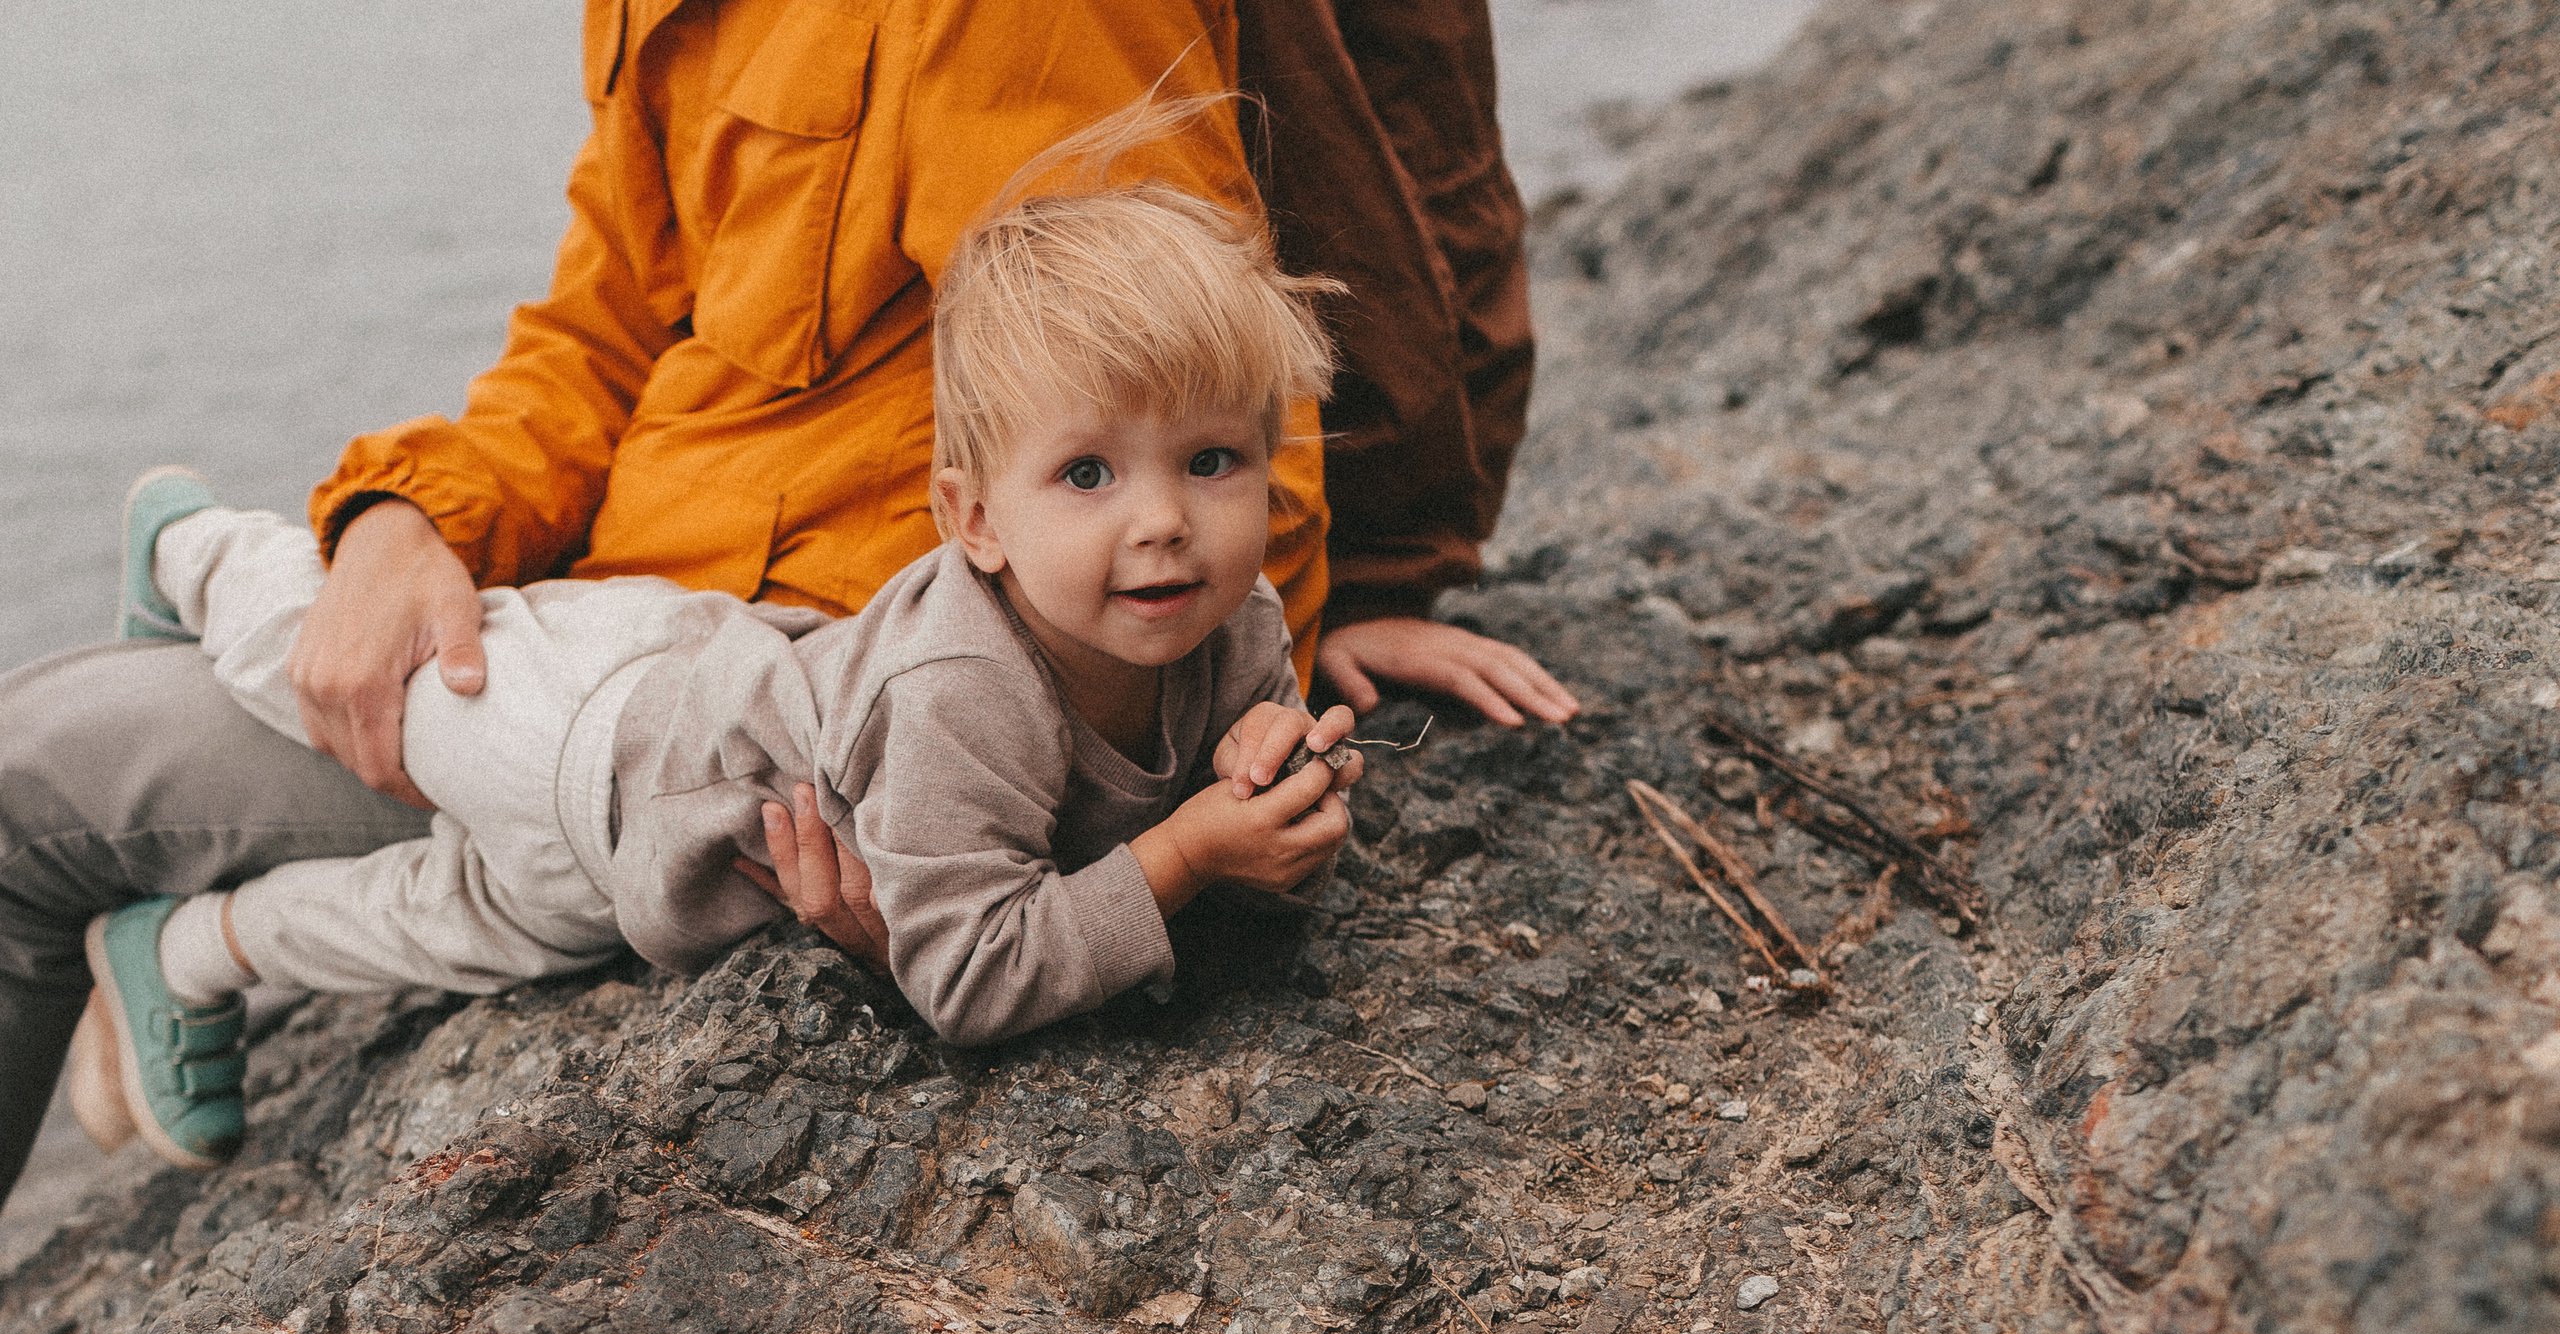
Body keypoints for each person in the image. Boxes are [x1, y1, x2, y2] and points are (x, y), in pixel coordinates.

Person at [0, 0, 1563, 1207]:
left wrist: (1291, 661)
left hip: (772, 705)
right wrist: (413, 517)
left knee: (29, 785)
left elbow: (1182, 396)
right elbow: (601, 329)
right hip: (614, 624)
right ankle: (208, 643)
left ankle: (186, 828)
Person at [73, 161, 1366, 1169]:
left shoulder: (1236, 623)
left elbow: (1237, 887)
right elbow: (972, 978)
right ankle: (198, 551)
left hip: (661, 879)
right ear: (973, 521)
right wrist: (1193, 850)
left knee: (430, 926)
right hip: (600, 731)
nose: (1162, 522)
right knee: (388, 693)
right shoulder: (966, 689)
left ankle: (188, 952)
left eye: (1213, 462)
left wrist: (1275, 792)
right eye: (1087, 474)